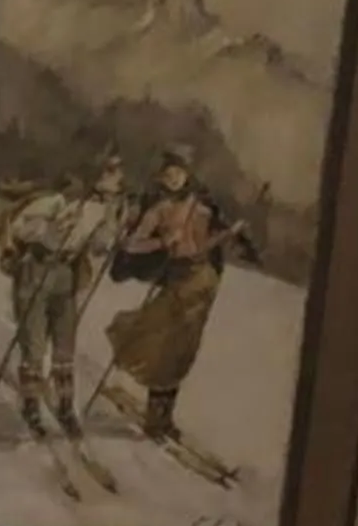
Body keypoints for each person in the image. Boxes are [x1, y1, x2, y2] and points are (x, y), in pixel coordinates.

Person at [104, 148, 254, 442]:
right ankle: (154, 417)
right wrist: (162, 242)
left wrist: (231, 234)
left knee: (184, 351)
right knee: (163, 346)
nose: (173, 179)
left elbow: (209, 244)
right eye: (167, 174)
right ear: (161, 178)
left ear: (187, 174)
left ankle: (165, 417)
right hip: (178, 281)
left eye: (178, 173)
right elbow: (131, 245)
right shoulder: (158, 210)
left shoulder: (204, 208)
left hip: (204, 283)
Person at [0, 150, 129, 438]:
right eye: (112, 173)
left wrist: (112, 227)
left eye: (118, 173)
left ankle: (66, 406)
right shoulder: (59, 200)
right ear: (98, 174)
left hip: (66, 274)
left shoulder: (103, 208)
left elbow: (98, 246)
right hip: (36, 270)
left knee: (64, 343)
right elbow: (19, 227)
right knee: (34, 342)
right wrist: (49, 231)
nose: (118, 179)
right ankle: (31, 407)